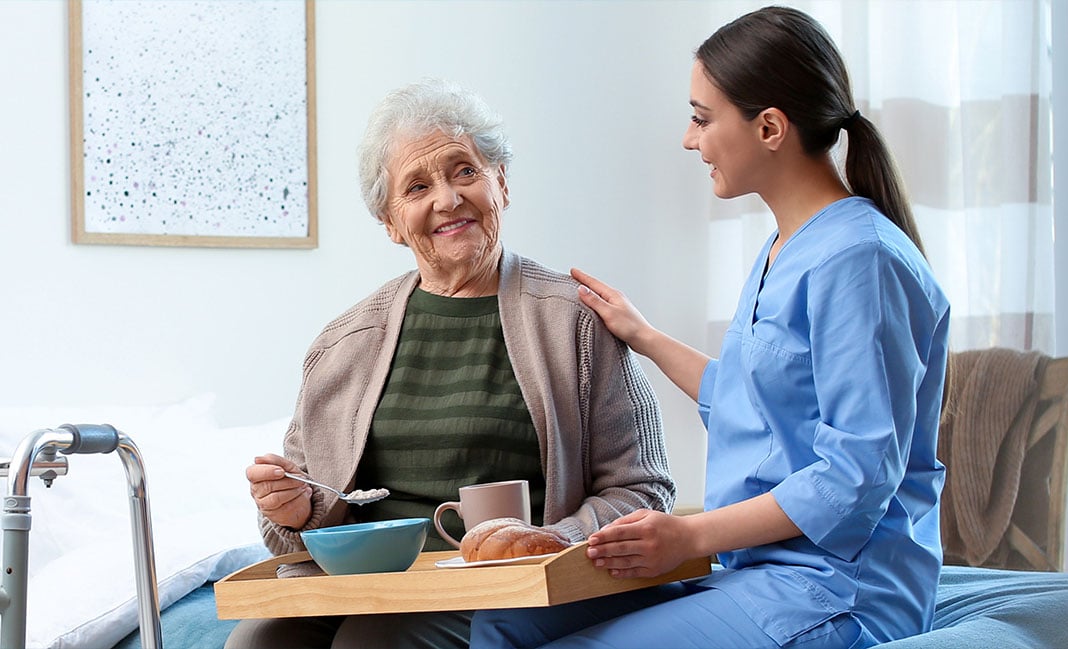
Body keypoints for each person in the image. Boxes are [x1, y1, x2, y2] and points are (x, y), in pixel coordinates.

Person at [470, 6, 950, 649]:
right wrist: (641, 334)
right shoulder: (785, 248)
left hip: (836, 591)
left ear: (771, 127)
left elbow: (856, 474)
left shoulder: (858, 260)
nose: (689, 140)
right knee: (505, 618)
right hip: (752, 572)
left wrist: (689, 534)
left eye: (701, 118)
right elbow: (750, 404)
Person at [226, 79, 676, 649]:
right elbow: (291, 532)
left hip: (509, 589)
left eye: (464, 171)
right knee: (258, 643)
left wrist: (550, 540)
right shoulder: (342, 344)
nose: (447, 199)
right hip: (367, 587)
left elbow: (643, 489)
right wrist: (293, 509)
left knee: (373, 645)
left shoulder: (574, 321)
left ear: (502, 183)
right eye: (417, 186)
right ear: (391, 222)